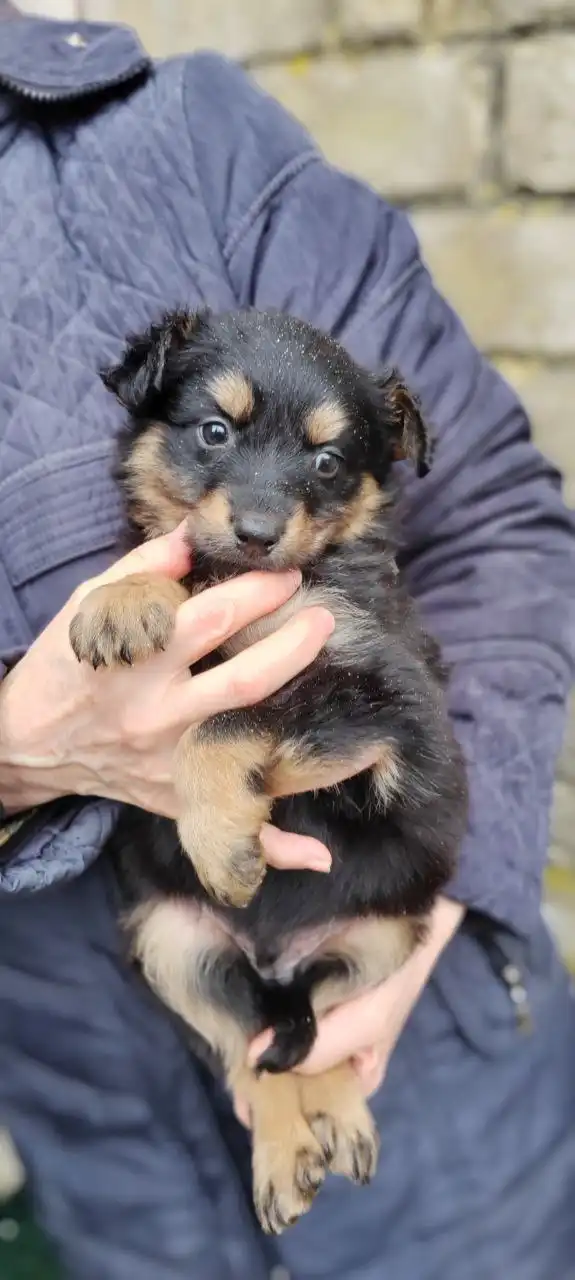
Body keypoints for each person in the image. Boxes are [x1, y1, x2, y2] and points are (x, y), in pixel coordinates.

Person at [0, 7, 574, 1279]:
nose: (260, 510)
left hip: (430, 1056)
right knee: (178, 944)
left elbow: (493, 522)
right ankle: (268, 1082)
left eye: (316, 463)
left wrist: (443, 910)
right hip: (111, 1130)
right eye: (216, 437)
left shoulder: (174, 136)